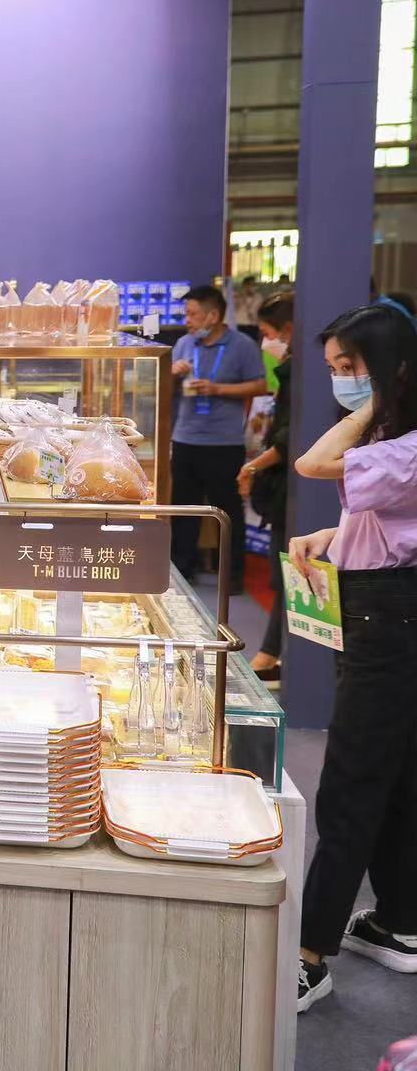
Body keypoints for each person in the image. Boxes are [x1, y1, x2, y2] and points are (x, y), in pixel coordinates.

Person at [289, 303, 417, 1012]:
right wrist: (330, 538)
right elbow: (389, 521)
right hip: (382, 604)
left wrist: (377, 401)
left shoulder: (404, 440)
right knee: (395, 775)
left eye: (350, 367)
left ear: (394, 366)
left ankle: (309, 956)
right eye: (334, 369)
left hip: (388, 618)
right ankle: (398, 921)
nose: (342, 382)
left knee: (350, 785)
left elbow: (311, 462)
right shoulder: (395, 440)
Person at [170, 284, 267, 592]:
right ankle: (182, 571)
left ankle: (232, 575)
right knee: (183, 509)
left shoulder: (242, 345)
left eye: (192, 314)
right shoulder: (184, 343)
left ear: (213, 316)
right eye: (186, 314)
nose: (187, 320)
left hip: (224, 443)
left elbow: (260, 385)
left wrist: (217, 389)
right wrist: (173, 373)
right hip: (185, 439)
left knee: (227, 511)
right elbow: (166, 387)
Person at [239, 292, 294, 679]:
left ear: (287, 329)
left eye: (268, 333)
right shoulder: (289, 369)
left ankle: (272, 654)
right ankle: (273, 652)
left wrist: (254, 466)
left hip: (290, 488)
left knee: (288, 573)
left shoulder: (298, 374)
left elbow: (290, 436)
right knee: (283, 574)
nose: (265, 342)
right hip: (283, 486)